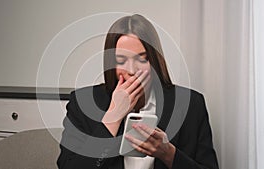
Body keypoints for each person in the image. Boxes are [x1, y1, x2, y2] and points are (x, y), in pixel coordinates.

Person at [57, 14, 219, 169]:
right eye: (121, 60)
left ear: (154, 61)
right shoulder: (83, 102)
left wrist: (168, 154)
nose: (132, 70)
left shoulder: (190, 104)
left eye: (142, 59)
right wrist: (112, 118)